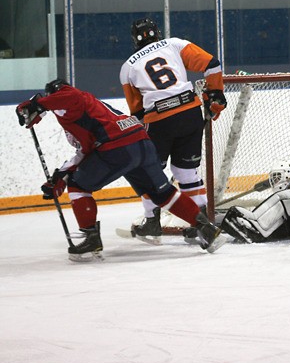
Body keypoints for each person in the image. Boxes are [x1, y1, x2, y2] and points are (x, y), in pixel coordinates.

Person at [15, 79, 226, 262]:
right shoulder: (87, 110)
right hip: (141, 141)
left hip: (118, 147)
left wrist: (38, 104)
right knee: (163, 193)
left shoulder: (75, 98)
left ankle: (91, 239)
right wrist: (60, 174)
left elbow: (69, 96)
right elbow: (84, 152)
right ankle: (206, 228)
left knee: (78, 186)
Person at [119, 17, 227, 241]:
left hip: (159, 122)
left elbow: (138, 113)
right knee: (186, 172)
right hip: (190, 113)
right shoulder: (175, 44)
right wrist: (215, 94)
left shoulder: (128, 67)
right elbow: (212, 64)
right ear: (156, 32)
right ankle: (202, 223)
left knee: (149, 172)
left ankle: (151, 222)